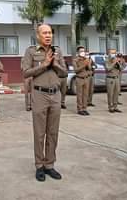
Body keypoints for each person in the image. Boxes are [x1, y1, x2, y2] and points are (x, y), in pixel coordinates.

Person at [21, 23, 67, 182]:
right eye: (44, 33)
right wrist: (44, 65)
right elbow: (26, 73)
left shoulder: (57, 51)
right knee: (40, 133)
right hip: (39, 94)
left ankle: (49, 165)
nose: (48, 35)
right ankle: (39, 165)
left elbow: (64, 73)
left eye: (50, 33)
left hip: (55, 95)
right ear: (38, 36)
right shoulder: (31, 51)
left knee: (53, 132)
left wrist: (54, 64)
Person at [73, 46, 92, 116]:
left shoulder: (86, 59)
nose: (83, 52)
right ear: (78, 52)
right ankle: (80, 109)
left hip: (86, 79)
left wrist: (88, 62)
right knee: (79, 95)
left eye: (83, 51)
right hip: (79, 78)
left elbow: (89, 68)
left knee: (85, 95)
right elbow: (76, 70)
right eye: (81, 51)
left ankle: (85, 108)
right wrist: (84, 65)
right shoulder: (75, 60)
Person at [105, 48, 124, 113]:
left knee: (116, 93)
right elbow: (108, 68)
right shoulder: (107, 60)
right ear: (109, 53)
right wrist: (114, 62)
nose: (113, 54)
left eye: (114, 53)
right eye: (112, 53)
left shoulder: (117, 60)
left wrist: (119, 62)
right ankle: (110, 107)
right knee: (110, 93)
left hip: (117, 78)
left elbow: (121, 68)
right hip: (110, 78)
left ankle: (115, 106)